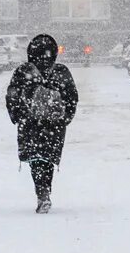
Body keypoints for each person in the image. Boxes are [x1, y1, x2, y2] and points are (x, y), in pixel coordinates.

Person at [5, 34, 79, 214]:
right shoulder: (61, 72)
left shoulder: (24, 71)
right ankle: (45, 190)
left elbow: (12, 95)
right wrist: (65, 119)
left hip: (30, 124)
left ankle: (41, 191)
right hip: (54, 125)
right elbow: (72, 97)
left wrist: (16, 116)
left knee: (36, 159)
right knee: (48, 159)